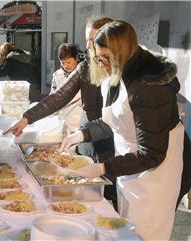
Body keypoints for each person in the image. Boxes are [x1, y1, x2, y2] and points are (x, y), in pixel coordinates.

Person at [60, 20, 185, 240]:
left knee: (145, 232)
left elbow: (153, 153)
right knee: (126, 226)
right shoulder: (117, 72)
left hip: (156, 173)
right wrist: (81, 134)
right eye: (99, 58)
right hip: (131, 162)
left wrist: (102, 168)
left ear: (124, 52)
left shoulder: (148, 88)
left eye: (107, 58)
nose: (102, 64)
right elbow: (117, 119)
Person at [5, 17, 116, 207]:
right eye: (87, 40)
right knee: (87, 196)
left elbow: (116, 119)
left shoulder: (120, 70)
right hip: (88, 137)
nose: (89, 46)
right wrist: (26, 118)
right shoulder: (86, 67)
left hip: (113, 143)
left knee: (110, 197)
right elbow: (58, 97)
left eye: (94, 40)